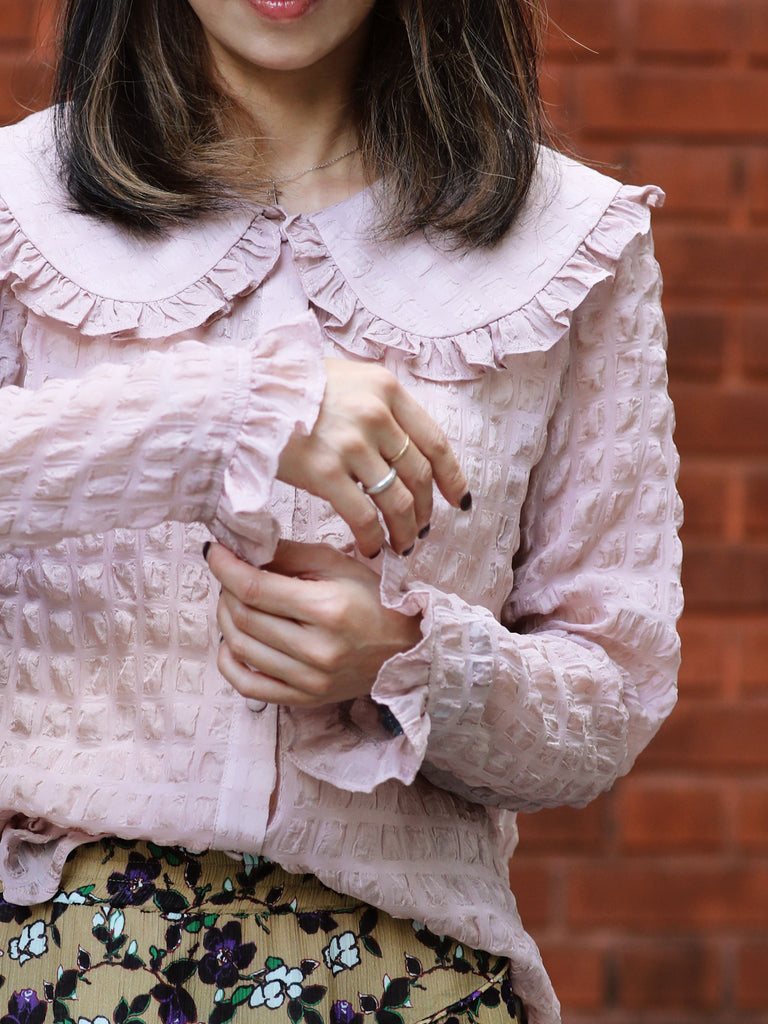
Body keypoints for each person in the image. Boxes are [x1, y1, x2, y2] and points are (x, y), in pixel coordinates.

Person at [0, 1, 682, 1022]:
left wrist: (406, 661)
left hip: (403, 977)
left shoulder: (571, 244)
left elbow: (614, 693)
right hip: (61, 957)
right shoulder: (20, 200)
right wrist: (228, 417)